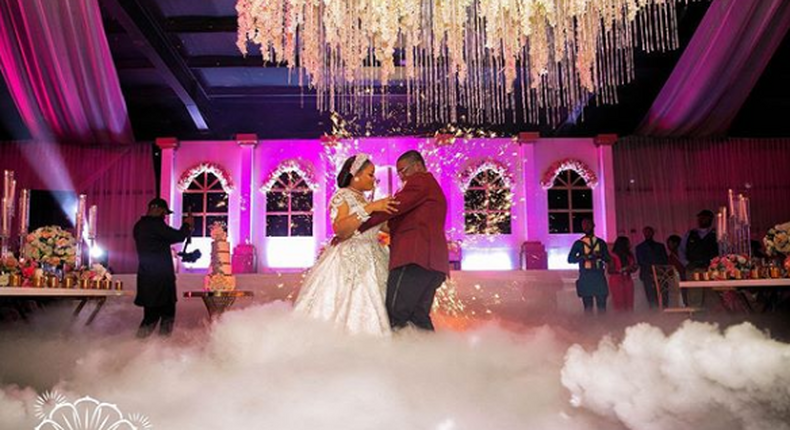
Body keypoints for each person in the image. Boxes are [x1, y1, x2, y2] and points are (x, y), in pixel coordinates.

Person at [293, 154, 399, 336]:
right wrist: (371, 208)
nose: (374, 179)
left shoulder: (365, 200)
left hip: (376, 257)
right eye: (370, 174)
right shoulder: (341, 196)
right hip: (350, 260)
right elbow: (341, 229)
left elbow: (384, 228)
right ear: (355, 175)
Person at [359, 150, 449, 331]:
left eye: (403, 171)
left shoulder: (420, 180)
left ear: (417, 166)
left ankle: (396, 358)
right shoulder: (431, 187)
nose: (401, 176)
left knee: (394, 313)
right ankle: (433, 356)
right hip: (432, 264)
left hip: (414, 258)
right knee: (418, 317)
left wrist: (358, 222)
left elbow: (393, 207)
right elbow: (401, 220)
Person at [133, 198, 193, 338]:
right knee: (166, 316)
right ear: (158, 209)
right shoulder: (154, 225)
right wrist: (187, 225)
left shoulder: (139, 226)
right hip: (160, 279)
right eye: (164, 213)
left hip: (147, 277)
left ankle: (139, 348)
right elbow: (178, 236)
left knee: (150, 316)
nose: (164, 216)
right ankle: (160, 349)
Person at [567, 218, 610, 314]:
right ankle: (589, 326)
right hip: (585, 276)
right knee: (588, 307)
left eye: (588, 224)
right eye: (584, 225)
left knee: (602, 306)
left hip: (598, 276)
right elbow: (570, 259)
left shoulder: (600, 242)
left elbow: (608, 258)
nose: (586, 227)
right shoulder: (579, 243)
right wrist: (582, 257)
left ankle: (604, 326)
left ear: (593, 225)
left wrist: (600, 256)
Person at [635, 226, 668, 309]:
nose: (648, 234)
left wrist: (659, 269)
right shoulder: (639, 247)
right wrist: (651, 269)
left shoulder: (660, 246)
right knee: (650, 294)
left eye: (649, 232)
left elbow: (664, 260)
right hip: (647, 273)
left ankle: (663, 309)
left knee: (662, 293)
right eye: (646, 232)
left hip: (660, 273)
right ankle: (653, 311)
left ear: (653, 233)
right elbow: (641, 261)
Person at [609, 236, 638, 312]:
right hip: (616, 280)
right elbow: (610, 270)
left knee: (629, 301)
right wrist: (622, 270)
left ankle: (629, 320)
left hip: (627, 279)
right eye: (627, 243)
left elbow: (633, 266)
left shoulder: (629, 255)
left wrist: (633, 268)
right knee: (619, 302)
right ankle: (620, 321)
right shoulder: (613, 255)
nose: (629, 245)